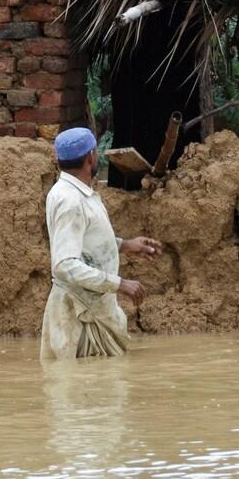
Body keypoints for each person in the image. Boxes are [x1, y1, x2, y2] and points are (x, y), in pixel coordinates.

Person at [40, 127, 163, 361]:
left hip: (92, 309)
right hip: (81, 315)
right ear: (91, 157)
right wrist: (119, 284)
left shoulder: (73, 192)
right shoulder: (70, 201)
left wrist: (125, 245)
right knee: (90, 379)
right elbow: (65, 264)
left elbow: (85, 241)